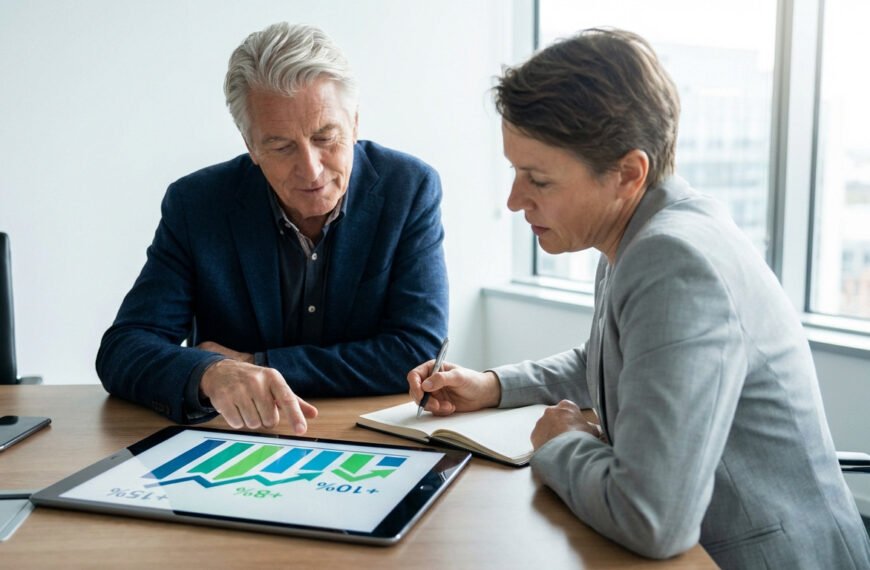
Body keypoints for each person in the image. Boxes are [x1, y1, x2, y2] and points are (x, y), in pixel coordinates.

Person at [408, 28, 870, 568]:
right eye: (514, 171)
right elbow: (609, 359)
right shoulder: (644, 232)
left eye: (537, 179)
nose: (514, 201)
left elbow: (654, 519)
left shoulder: (675, 261)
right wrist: (493, 386)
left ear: (628, 173)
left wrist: (558, 442)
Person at [97, 22, 448, 433]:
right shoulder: (197, 204)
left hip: (370, 435)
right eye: (281, 146)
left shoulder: (408, 188)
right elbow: (124, 349)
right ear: (251, 146)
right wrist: (211, 374)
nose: (311, 169)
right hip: (238, 439)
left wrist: (255, 364)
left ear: (354, 123)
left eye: (326, 137)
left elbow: (417, 352)